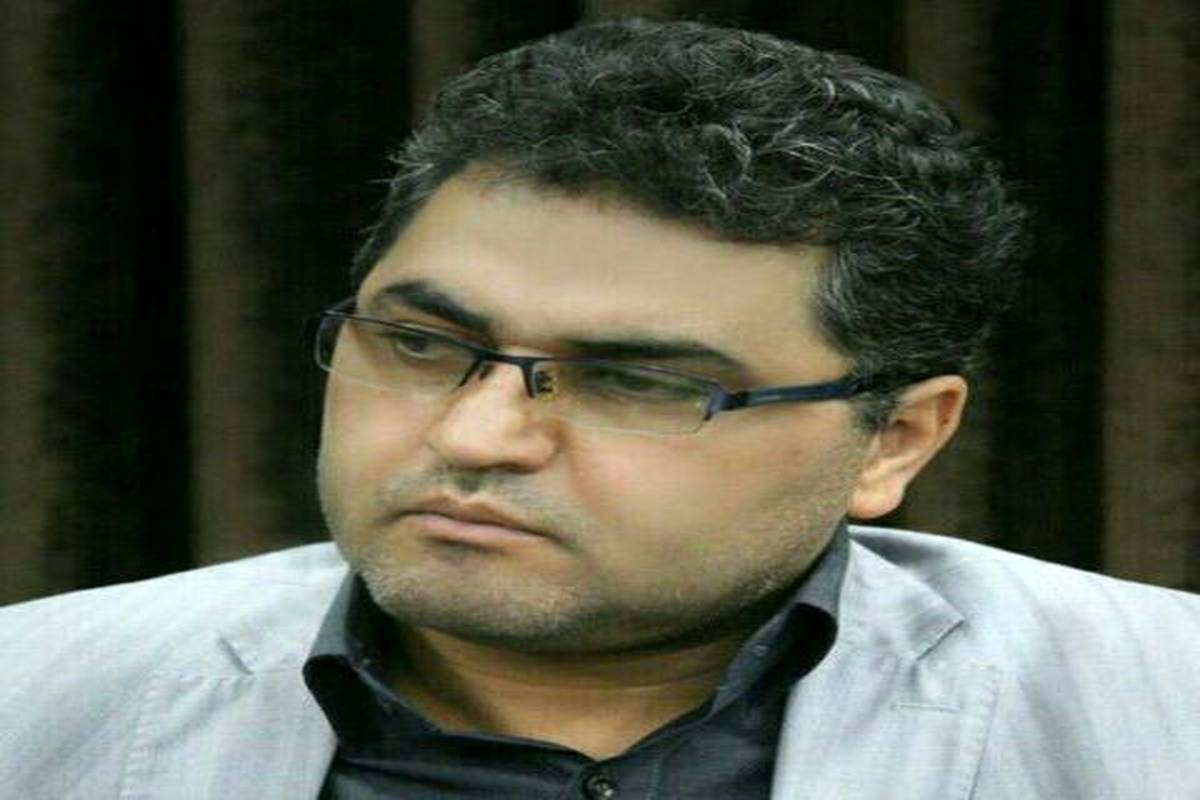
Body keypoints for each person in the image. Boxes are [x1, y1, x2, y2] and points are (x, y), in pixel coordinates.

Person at [2, 18, 1197, 800]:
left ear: (893, 438)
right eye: (421, 343)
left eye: (638, 381)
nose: (472, 434)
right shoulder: (32, 696)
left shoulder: (1161, 713)